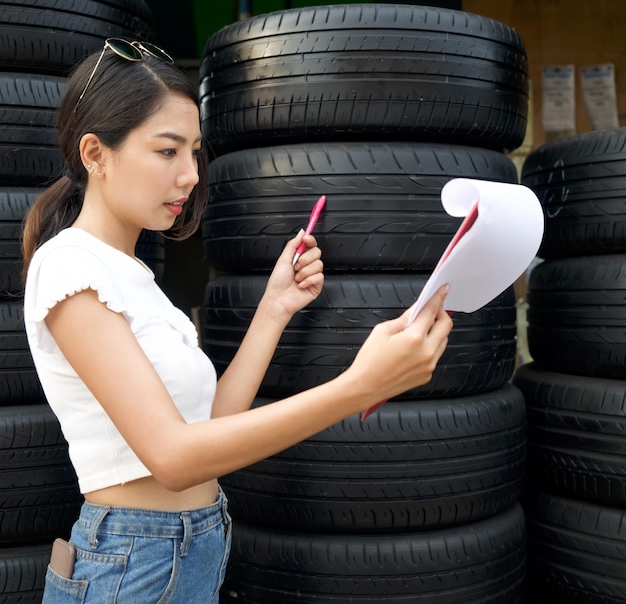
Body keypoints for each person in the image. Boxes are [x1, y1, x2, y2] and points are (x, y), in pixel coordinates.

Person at [22, 38, 453, 604]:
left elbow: (208, 428)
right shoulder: (70, 267)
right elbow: (173, 458)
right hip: (133, 562)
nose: (191, 176)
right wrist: (358, 387)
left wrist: (274, 309)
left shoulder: (133, 275)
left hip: (189, 547)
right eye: (167, 151)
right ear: (96, 154)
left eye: (195, 153)